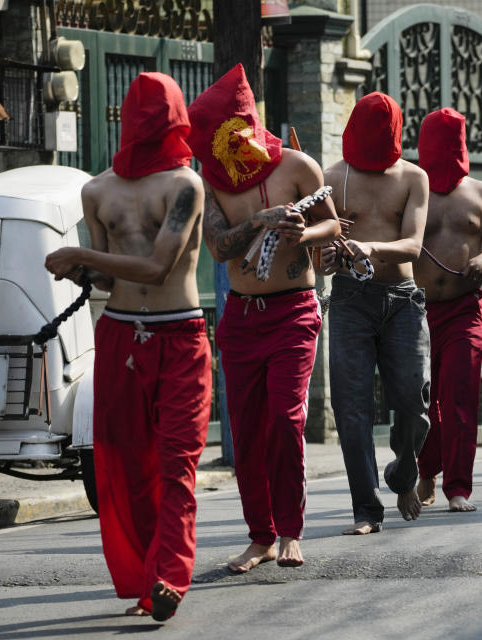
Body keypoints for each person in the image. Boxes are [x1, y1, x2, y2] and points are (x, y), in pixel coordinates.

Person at [44, 72, 210, 622]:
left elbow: (159, 265)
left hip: (181, 334)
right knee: (126, 465)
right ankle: (146, 576)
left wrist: (83, 260)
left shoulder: (185, 185)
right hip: (119, 335)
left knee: (177, 462)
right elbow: (110, 281)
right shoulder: (96, 190)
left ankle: (169, 576)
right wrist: (75, 272)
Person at [186, 64, 340, 574]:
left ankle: (291, 530)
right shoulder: (210, 181)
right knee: (247, 430)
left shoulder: (298, 167)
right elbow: (217, 246)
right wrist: (258, 220)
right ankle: (261, 536)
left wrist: (305, 235)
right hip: (241, 316)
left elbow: (333, 224)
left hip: (293, 312)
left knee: (286, 419)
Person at [321, 91, 430, 534]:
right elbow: (318, 251)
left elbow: (414, 245)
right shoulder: (331, 177)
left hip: (403, 298)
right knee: (352, 409)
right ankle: (366, 509)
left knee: (413, 400)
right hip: (350, 299)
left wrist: (370, 245)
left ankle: (404, 474)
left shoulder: (413, 177)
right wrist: (326, 257)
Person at [413, 108, 482, 512]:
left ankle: (459, 487)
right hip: (415, 311)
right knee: (422, 400)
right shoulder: (412, 187)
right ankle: (426, 470)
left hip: (465, 309)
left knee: (459, 396)